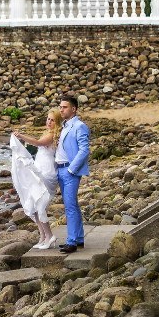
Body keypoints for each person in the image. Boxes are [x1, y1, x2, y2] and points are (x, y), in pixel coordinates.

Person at [9, 108, 59, 249]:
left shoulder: (52, 135)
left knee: (40, 204)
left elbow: (38, 143)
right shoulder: (48, 133)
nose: (49, 122)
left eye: (52, 120)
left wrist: (22, 137)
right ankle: (43, 235)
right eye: (48, 119)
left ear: (57, 122)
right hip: (40, 169)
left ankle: (50, 236)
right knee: (34, 203)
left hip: (46, 172)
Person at [54, 93, 91, 253]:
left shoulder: (79, 126)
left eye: (64, 107)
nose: (61, 110)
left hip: (70, 170)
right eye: (60, 107)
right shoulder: (65, 125)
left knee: (69, 206)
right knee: (73, 205)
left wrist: (71, 169)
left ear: (74, 109)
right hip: (61, 169)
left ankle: (71, 242)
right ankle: (79, 238)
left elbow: (84, 150)